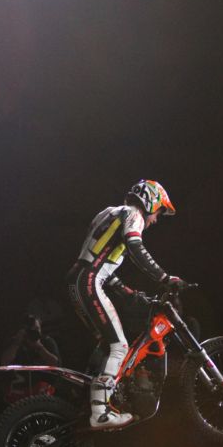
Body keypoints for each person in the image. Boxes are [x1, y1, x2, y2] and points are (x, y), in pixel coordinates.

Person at [67, 179, 186, 430]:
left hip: (77, 280)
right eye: (158, 212)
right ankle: (100, 412)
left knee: (106, 343)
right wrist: (165, 278)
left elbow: (98, 258)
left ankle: (86, 396)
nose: (155, 220)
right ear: (150, 201)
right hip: (89, 282)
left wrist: (127, 292)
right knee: (119, 346)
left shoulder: (108, 212)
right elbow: (136, 248)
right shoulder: (134, 214)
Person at [1, 313, 61, 403]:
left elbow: (56, 365)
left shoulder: (47, 341)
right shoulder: (15, 342)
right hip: (20, 392)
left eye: (37, 329)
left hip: (43, 393)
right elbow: (4, 362)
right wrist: (17, 343)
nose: (34, 332)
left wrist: (40, 348)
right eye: (31, 330)